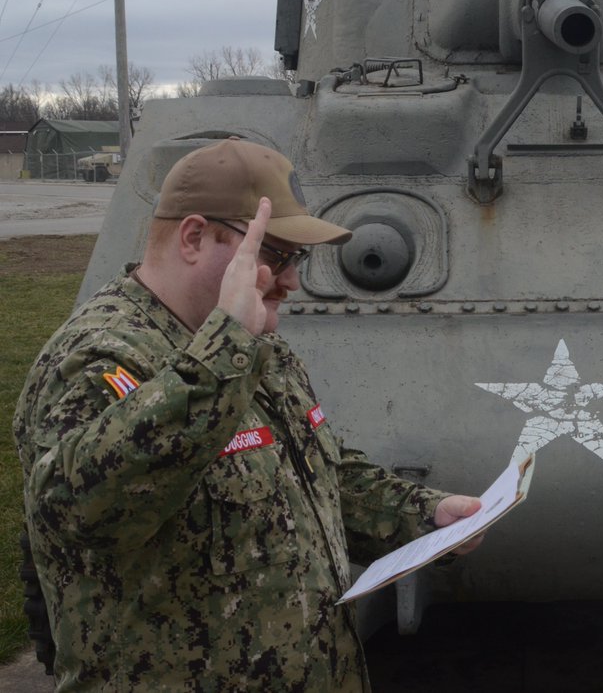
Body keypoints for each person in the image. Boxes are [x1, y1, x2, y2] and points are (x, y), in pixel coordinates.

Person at [13, 138, 484, 691]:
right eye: (276, 255)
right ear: (194, 237)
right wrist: (226, 348)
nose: (291, 282)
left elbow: (318, 475)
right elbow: (83, 513)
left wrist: (425, 517)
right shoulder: (101, 357)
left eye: (296, 259)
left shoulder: (250, 346)